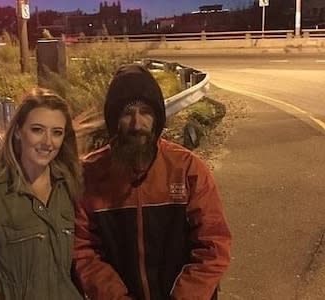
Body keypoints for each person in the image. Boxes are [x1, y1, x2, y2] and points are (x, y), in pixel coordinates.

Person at [73, 64, 232, 300]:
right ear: (114, 120)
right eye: (127, 113)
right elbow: (83, 251)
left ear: (157, 117)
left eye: (146, 111)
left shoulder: (186, 168)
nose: (138, 124)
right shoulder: (90, 175)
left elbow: (213, 245)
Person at [0, 88, 84, 300]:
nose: (48, 142)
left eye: (57, 132)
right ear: (19, 131)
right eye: (38, 130)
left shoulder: (70, 187)